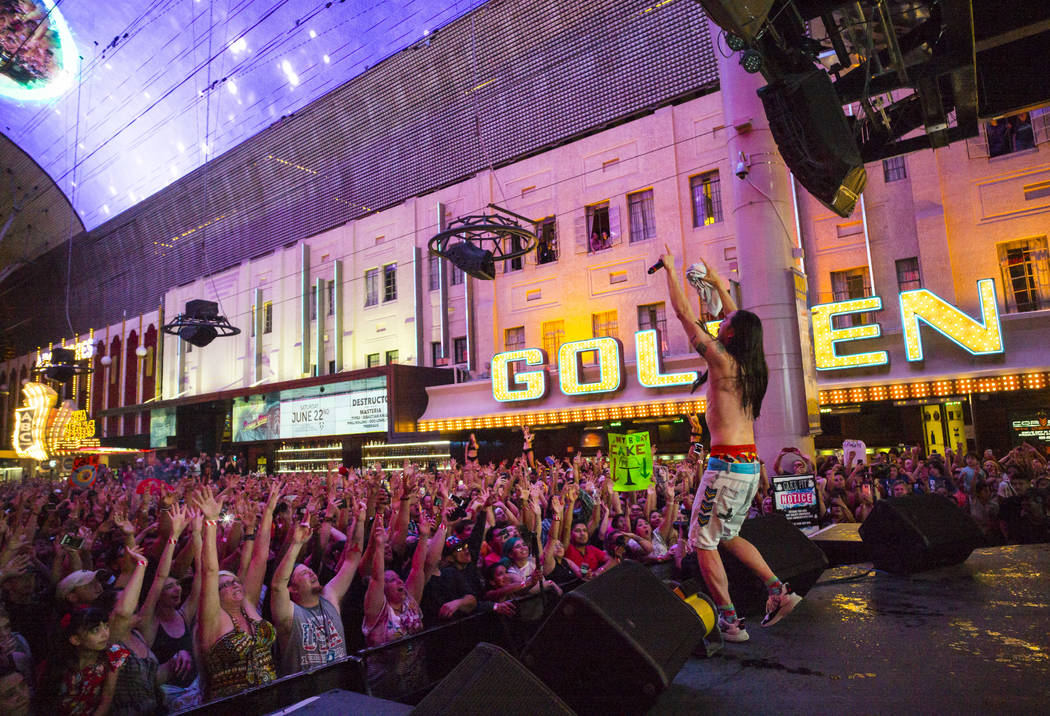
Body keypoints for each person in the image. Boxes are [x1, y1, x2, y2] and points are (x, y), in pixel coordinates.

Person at [659, 245, 801, 643]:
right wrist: (719, 283)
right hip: (748, 468)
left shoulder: (721, 359)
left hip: (724, 468)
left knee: (701, 541)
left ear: (731, 333)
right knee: (728, 535)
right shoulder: (753, 367)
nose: (720, 320)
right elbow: (735, 315)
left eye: (725, 321)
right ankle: (777, 590)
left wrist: (670, 270)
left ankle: (729, 621)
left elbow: (685, 315)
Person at [194, 484, 279, 700]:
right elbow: (211, 570)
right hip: (232, 708)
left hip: (271, 698)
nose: (234, 586)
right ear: (215, 593)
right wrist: (211, 521)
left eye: (236, 582)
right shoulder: (212, 618)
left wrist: (267, 513)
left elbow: (259, 560)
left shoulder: (247, 604)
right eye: (226, 585)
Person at [270, 504, 364, 676]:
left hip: (338, 692)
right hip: (306, 698)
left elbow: (352, 558)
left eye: (311, 571)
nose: (312, 573)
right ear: (292, 588)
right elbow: (277, 586)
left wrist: (360, 521)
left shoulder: (330, 597)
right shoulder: (289, 614)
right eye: (304, 573)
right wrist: (296, 545)